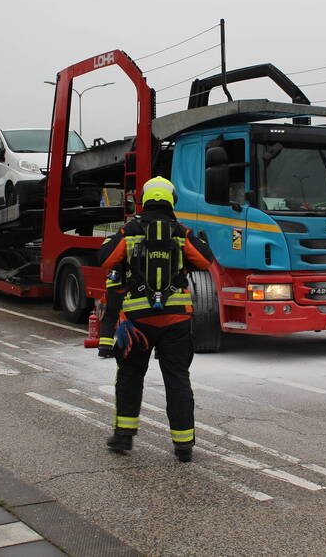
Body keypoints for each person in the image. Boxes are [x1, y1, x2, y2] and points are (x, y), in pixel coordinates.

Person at [97, 176, 215, 462]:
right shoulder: (181, 232)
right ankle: (184, 446)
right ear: (172, 200)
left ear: (144, 200)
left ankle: (123, 437)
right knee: (177, 380)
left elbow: (105, 259)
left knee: (129, 376)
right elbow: (205, 260)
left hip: (137, 322)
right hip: (176, 320)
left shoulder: (130, 230)